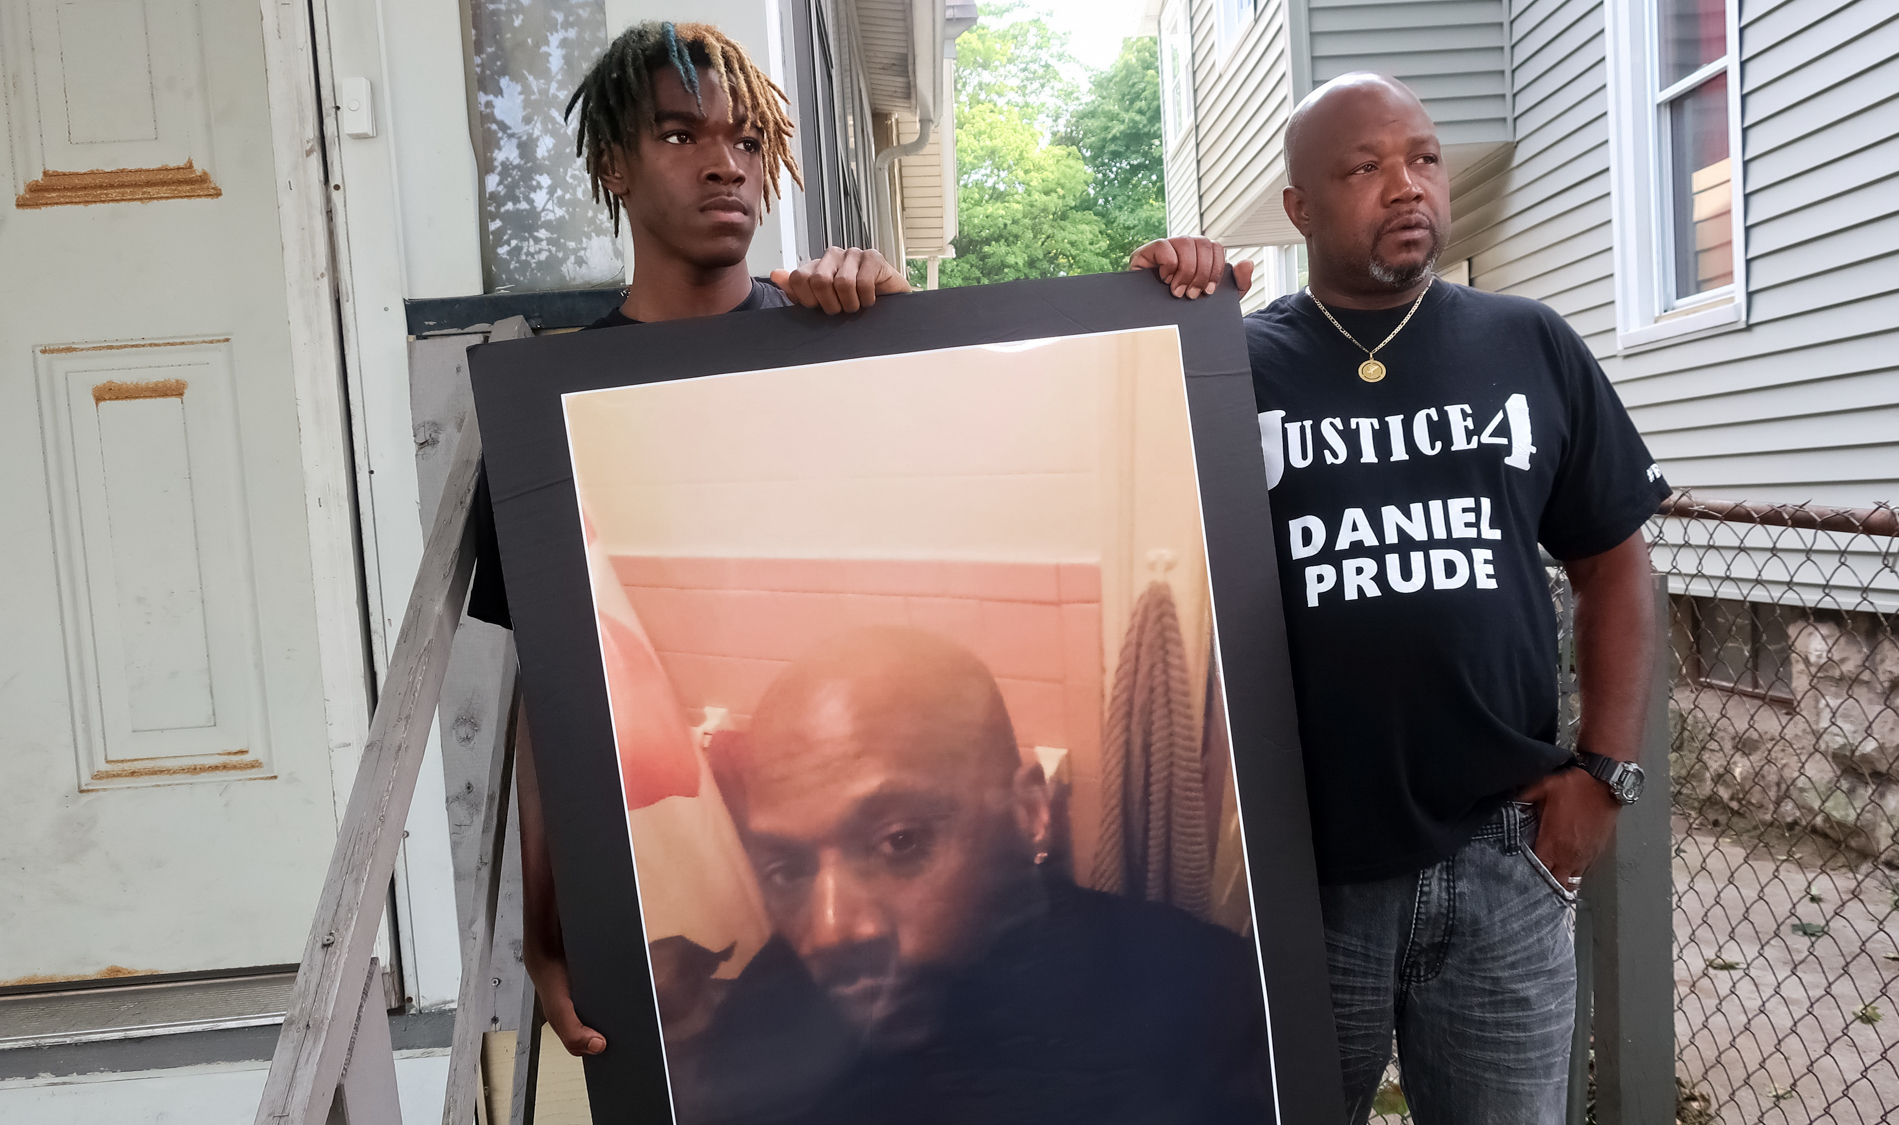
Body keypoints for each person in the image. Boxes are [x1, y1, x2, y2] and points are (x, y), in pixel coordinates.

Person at [470, 19, 1242, 1061]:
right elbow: (547, 708)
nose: (723, 163)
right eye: (678, 136)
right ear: (612, 162)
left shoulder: (834, 335)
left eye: (746, 141)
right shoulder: (545, 426)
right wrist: (544, 935)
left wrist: (1172, 288)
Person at [1248, 72, 1668, 1124]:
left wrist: (1604, 776)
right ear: (1298, 207)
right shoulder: (1234, 367)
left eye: (1422, 159)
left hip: (1500, 861)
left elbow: (1613, 565)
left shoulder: (1525, 343)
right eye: (1362, 168)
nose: (1405, 187)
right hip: (1303, 873)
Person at [674, 628, 1273, 1125]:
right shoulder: (758, 1022)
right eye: (789, 868)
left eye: (899, 841)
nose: (828, 933)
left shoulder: (1206, 1003)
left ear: (1030, 812)